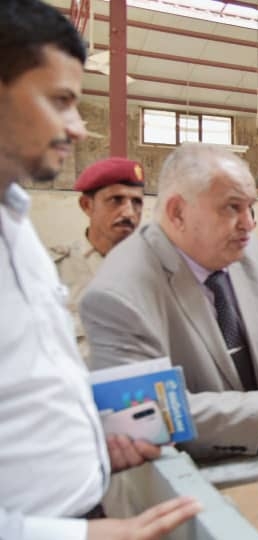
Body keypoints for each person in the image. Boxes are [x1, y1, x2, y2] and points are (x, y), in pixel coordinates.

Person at [0, 0, 200, 536]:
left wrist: (92, 448)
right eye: (59, 101)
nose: (76, 128)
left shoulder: (18, 233)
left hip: (88, 498)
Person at [81, 143, 258, 461]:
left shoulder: (248, 252)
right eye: (232, 208)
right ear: (178, 212)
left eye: (250, 208)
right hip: (185, 473)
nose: (249, 224)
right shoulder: (118, 293)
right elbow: (144, 415)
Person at [50, 157, 144, 361]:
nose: (129, 212)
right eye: (116, 200)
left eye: (137, 202)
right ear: (86, 205)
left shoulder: (155, 272)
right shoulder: (54, 270)